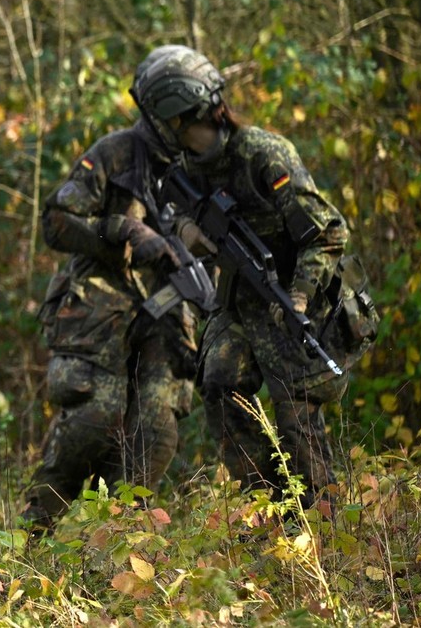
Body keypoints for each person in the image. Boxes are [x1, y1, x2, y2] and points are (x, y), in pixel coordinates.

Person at [133, 45, 377, 511]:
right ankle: (271, 504)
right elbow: (170, 212)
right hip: (242, 299)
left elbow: (328, 233)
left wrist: (299, 298)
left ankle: (324, 523)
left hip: (295, 293)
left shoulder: (264, 155)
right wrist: (191, 232)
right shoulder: (184, 167)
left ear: (177, 113)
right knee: (220, 384)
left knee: (296, 413)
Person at [19, 46, 207, 533]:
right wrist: (121, 231)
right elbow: (56, 222)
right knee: (92, 423)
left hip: (169, 309)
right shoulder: (118, 152)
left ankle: (121, 543)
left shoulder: (207, 162)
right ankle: (31, 535)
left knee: (156, 429)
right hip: (102, 303)